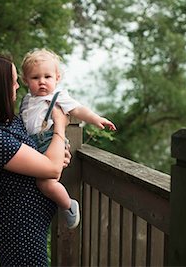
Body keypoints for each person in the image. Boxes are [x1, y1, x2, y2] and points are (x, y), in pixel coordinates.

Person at [0, 54, 72, 266]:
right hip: (18, 230)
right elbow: (52, 169)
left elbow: (43, 159)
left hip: (27, 225)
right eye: (13, 81)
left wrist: (55, 152)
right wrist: (60, 126)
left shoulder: (8, 122)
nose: (18, 86)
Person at [20, 48, 117, 230]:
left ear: (57, 78)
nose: (42, 82)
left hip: (50, 143)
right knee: (32, 182)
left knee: (45, 182)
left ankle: (68, 205)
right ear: (26, 80)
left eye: (47, 77)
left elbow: (78, 110)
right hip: (32, 145)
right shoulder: (27, 100)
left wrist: (96, 118)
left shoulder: (58, 97)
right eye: (35, 78)